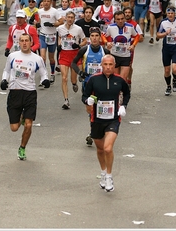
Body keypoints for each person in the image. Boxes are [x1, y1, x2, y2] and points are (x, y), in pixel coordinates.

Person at [82, 54, 131, 192]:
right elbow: (84, 95)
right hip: (97, 119)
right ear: (101, 66)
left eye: (111, 64)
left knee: (108, 148)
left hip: (113, 119)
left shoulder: (120, 80)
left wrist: (123, 106)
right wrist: (88, 101)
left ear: (114, 66)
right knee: (100, 149)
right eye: (105, 65)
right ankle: (103, 172)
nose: (108, 67)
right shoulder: (94, 80)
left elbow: (127, 94)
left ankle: (109, 176)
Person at [0, 33, 50, 160]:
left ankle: (22, 147)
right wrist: (4, 80)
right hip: (15, 93)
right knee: (14, 128)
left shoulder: (37, 59)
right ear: (19, 43)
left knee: (28, 125)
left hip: (29, 93)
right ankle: (21, 116)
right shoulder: (12, 56)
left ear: (31, 42)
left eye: (26, 40)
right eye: (21, 41)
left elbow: (44, 73)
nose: (24, 43)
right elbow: (6, 70)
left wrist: (45, 80)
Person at [71, 27, 110, 146]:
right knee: (90, 109)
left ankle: (95, 131)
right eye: (92, 36)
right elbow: (73, 63)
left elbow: (111, 67)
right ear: (89, 38)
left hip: (102, 84)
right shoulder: (84, 50)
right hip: (88, 83)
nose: (94, 38)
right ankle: (93, 129)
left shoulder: (105, 51)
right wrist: (80, 72)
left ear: (100, 37)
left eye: (96, 36)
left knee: (100, 108)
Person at [56, 11, 87, 109]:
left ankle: (74, 83)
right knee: (64, 78)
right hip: (64, 55)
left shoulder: (78, 29)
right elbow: (60, 37)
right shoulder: (60, 28)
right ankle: (66, 100)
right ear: (65, 18)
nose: (70, 19)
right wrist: (59, 45)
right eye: (68, 17)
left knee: (73, 79)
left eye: (72, 18)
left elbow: (85, 40)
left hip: (74, 55)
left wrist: (78, 45)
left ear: (74, 19)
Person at [102, 11, 140, 85]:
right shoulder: (111, 27)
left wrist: (133, 45)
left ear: (124, 19)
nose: (120, 21)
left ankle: (122, 94)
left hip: (126, 56)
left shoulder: (130, 27)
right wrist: (107, 43)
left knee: (122, 78)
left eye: (122, 19)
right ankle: (118, 94)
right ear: (115, 20)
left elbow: (137, 36)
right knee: (116, 78)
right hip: (114, 56)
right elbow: (103, 35)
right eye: (118, 19)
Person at [156, 6, 176, 96]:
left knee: (175, 69)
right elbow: (157, 35)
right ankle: (168, 86)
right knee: (167, 70)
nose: (170, 15)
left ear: (174, 14)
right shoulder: (163, 22)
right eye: (168, 13)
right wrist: (165, 33)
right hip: (166, 49)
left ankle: (175, 80)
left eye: (172, 13)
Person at [36, 0, 64, 84]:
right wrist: (37, 24)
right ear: (42, 2)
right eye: (44, 1)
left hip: (52, 36)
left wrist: (52, 25)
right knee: (42, 57)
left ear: (51, 2)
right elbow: (36, 21)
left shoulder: (54, 11)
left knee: (51, 58)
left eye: (48, 1)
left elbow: (61, 21)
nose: (46, 3)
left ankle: (52, 73)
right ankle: (44, 76)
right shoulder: (39, 11)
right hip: (42, 36)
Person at [123, 6, 143, 91]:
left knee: (128, 65)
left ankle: (129, 81)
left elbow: (141, 38)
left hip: (129, 48)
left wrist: (133, 41)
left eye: (129, 12)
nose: (127, 14)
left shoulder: (135, 25)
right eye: (126, 12)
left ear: (131, 14)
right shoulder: (119, 23)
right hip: (119, 48)